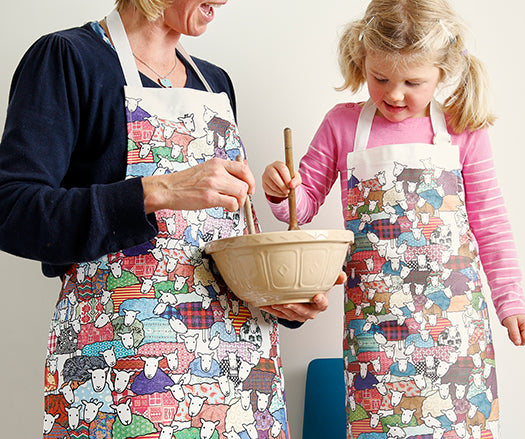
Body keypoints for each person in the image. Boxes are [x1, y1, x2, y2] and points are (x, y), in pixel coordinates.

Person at [0, 1, 340, 438]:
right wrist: (158, 191)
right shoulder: (68, 58)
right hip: (123, 368)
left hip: (237, 375)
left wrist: (278, 296)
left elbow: (223, 242)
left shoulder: (215, 84)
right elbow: (12, 209)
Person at [262, 0, 525, 438]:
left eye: (413, 81)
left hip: (455, 332)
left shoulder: (464, 131)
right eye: (380, 78)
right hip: (376, 326)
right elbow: (304, 202)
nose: (393, 94)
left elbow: (491, 222)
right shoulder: (342, 125)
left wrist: (511, 301)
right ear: (362, 61)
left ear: (443, 72)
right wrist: (282, 189)